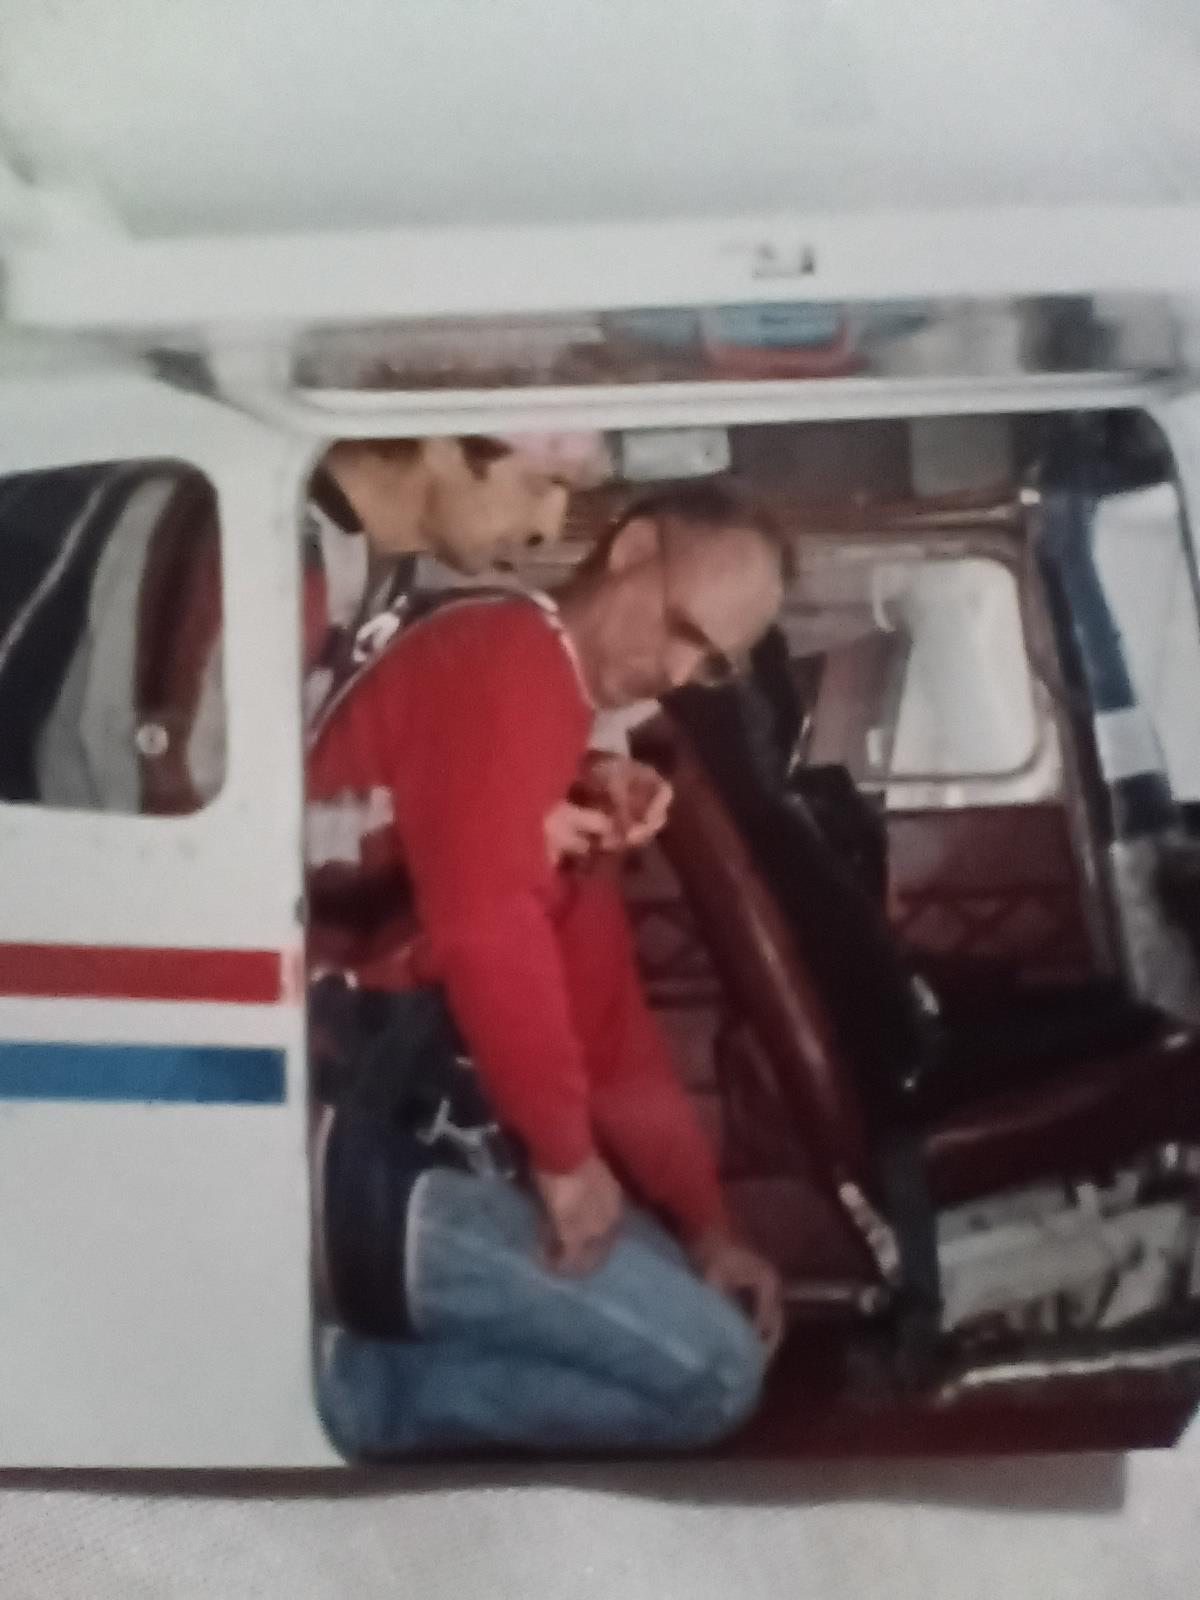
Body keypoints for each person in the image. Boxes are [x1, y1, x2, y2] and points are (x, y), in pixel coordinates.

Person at [307, 482, 790, 1456]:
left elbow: (603, 1017)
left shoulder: (566, 739)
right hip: (327, 1134)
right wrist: (566, 1161)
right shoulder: (507, 657)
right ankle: (334, 1392)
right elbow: (487, 930)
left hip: (405, 1116)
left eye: (710, 664)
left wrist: (706, 1222)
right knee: (714, 1374)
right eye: (682, 630)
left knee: (699, 1318)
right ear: (633, 549)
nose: (676, 672)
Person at [32, 431, 610, 813]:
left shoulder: (385, 566)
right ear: (441, 443)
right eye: (539, 484)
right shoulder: (251, 543)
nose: (549, 529)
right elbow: (171, 806)